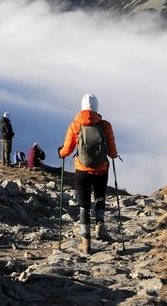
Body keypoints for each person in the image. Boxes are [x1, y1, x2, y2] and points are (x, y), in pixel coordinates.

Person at [58, 94, 118, 254]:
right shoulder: (105, 125)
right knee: (99, 198)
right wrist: (113, 155)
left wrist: (61, 153)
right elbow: (112, 152)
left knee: (84, 205)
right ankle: (101, 229)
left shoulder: (75, 125)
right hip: (101, 170)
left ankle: (85, 242)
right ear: (96, 108)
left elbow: (67, 149)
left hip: (82, 171)